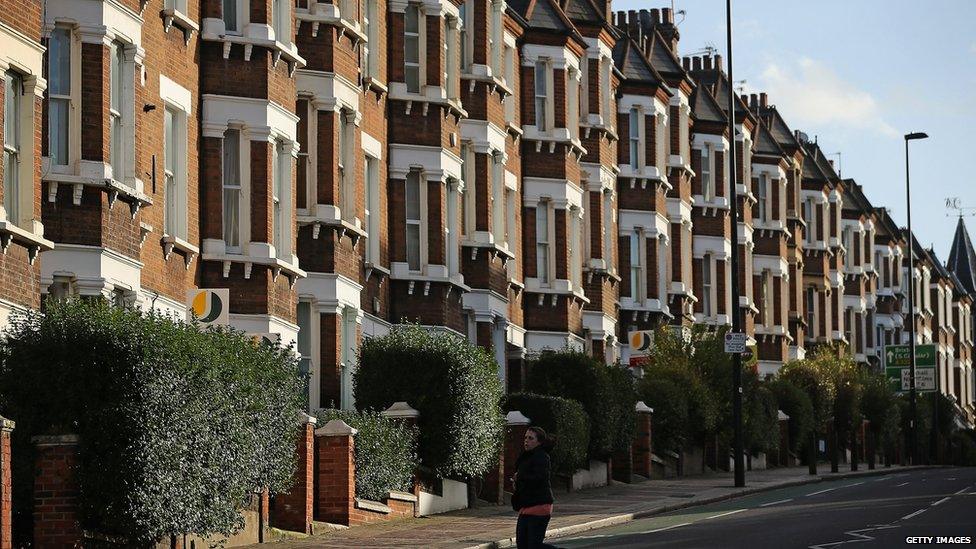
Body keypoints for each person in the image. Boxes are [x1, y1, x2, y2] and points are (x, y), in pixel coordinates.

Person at [512, 426, 557, 549]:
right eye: (525, 438)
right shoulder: (525, 456)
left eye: (531, 438)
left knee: (534, 546)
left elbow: (539, 477)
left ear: (539, 442)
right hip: (526, 506)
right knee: (522, 545)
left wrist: (520, 476)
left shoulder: (542, 456)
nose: (526, 440)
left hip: (540, 505)